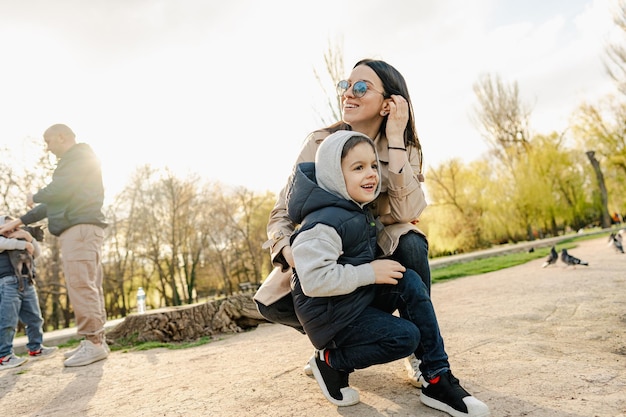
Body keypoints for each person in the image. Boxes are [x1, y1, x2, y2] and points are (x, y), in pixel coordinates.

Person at [288, 130, 489, 417]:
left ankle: (435, 375)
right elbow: (314, 281)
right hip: (333, 320)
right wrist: (369, 272)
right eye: (358, 168)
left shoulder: (353, 209)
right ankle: (332, 361)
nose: (370, 174)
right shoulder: (322, 223)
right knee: (405, 337)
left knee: (406, 279)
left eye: (372, 166)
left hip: (351, 300)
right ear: (334, 175)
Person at [255, 58, 429, 385]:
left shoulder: (404, 149)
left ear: (388, 103)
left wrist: (394, 138)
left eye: (361, 87)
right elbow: (283, 211)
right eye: (345, 85)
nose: (348, 93)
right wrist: (287, 249)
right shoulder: (320, 142)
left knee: (410, 241)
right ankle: (334, 349)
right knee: (276, 303)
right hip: (330, 258)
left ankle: (422, 358)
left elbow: (407, 214)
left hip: (375, 257)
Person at [0, 124, 109, 368]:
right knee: (89, 285)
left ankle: (93, 343)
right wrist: (20, 221)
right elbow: (56, 201)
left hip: (79, 228)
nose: (47, 148)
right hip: (82, 228)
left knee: (81, 284)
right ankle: (96, 340)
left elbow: (58, 191)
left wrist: (34, 195)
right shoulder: (76, 162)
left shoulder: (77, 157)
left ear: (62, 137)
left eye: (48, 141)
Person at [0, 215, 58, 370]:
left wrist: (27, 237)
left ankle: (36, 347)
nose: (12, 230)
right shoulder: (5, 241)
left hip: (27, 281)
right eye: (7, 227)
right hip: (7, 283)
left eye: (14, 227)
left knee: (35, 318)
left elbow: (36, 253)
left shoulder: (22, 238)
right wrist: (24, 244)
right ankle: (4, 356)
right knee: (8, 321)